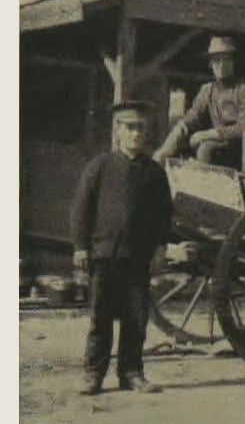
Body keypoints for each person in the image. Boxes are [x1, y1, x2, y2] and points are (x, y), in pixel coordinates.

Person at [70, 101, 173, 395]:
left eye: (142, 127)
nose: (137, 134)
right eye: (130, 127)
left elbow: (164, 214)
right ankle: (93, 374)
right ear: (118, 131)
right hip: (104, 255)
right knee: (100, 317)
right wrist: (80, 247)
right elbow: (81, 209)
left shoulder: (154, 172)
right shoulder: (100, 166)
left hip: (138, 258)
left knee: (135, 318)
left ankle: (131, 373)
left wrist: (160, 248)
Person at [153, 35, 245, 167]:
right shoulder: (208, 90)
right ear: (210, 64)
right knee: (181, 151)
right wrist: (167, 148)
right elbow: (190, 119)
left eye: (226, 60)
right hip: (221, 146)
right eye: (216, 61)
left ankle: (206, 185)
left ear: (233, 62)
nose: (221, 65)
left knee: (206, 149)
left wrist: (210, 134)